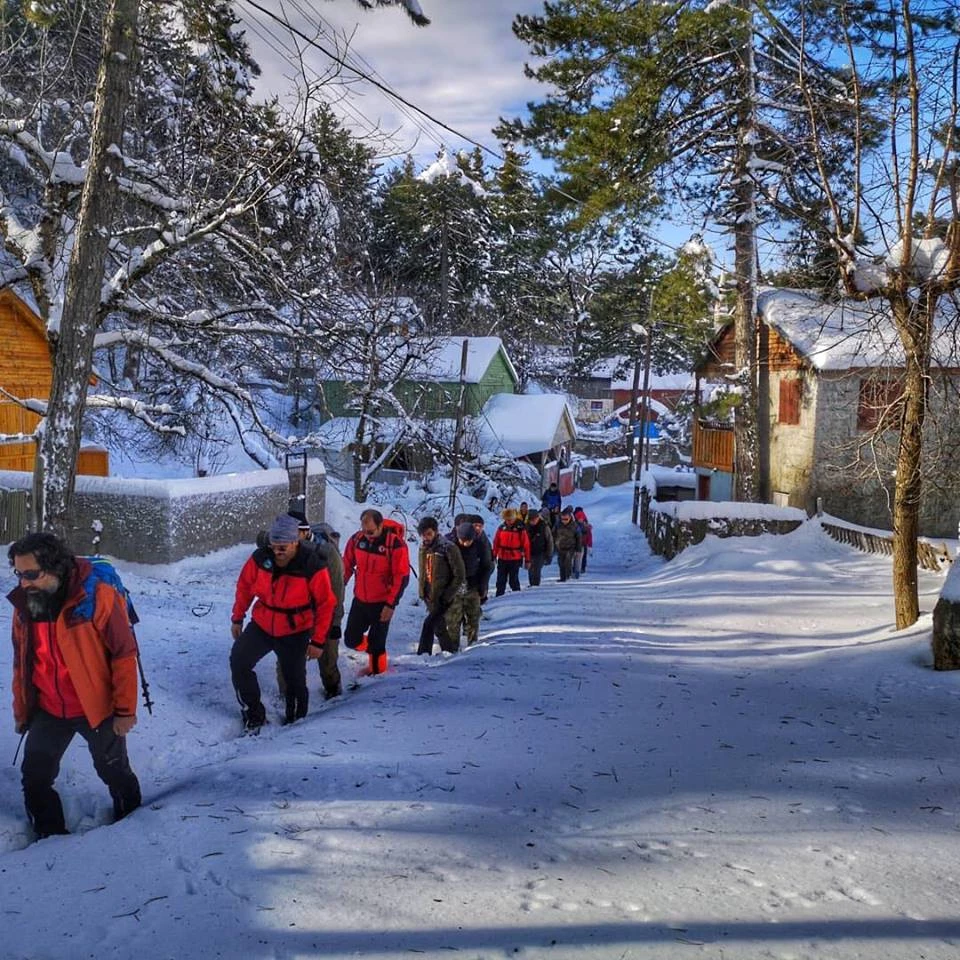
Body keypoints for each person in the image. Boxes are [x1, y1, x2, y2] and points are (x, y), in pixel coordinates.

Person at [7, 532, 142, 839]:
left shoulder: (97, 596)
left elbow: (124, 654)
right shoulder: (25, 605)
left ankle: (133, 823)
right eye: (18, 573)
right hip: (48, 708)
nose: (23, 582)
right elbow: (22, 662)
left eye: (31, 574)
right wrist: (22, 710)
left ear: (54, 567)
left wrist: (124, 711)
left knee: (114, 771)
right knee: (35, 777)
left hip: (97, 708)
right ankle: (49, 837)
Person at [231, 514, 336, 730]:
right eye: (274, 546)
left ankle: (296, 724)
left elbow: (326, 603)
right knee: (239, 661)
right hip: (262, 623)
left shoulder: (311, 564)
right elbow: (244, 587)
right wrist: (237, 617)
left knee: (294, 680)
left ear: (295, 542)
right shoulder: (260, 558)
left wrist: (317, 641)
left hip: (295, 629)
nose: (277, 552)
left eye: (283, 547)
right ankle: (254, 712)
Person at [273, 513, 346, 701]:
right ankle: (288, 697)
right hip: (294, 616)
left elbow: (337, 588)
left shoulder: (327, 554)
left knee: (328, 658)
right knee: (287, 659)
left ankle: (333, 690)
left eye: (292, 533)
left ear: (305, 533)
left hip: (323, 613)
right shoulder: (284, 550)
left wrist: (335, 622)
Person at [342, 509, 410, 675]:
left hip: (382, 602)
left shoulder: (394, 544)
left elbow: (401, 577)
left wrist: (390, 604)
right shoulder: (357, 540)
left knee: (377, 645)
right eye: (364, 531)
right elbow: (346, 565)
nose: (367, 535)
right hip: (360, 599)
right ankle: (369, 647)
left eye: (371, 532)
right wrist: (338, 587)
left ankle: (377, 678)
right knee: (351, 639)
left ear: (380, 526)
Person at [416, 517, 466, 654]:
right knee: (439, 627)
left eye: (429, 534)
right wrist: (423, 590)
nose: (425, 538)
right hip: (429, 595)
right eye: (423, 535)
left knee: (428, 624)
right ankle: (449, 651)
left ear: (436, 532)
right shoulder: (424, 548)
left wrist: (448, 594)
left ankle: (423, 653)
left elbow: (459, 574)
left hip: (443, 595)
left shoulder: (448, 548)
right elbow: (424, 571)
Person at [446, 521, 492, 647]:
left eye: (469, 540)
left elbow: (487, 566)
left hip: (473, 585)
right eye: (463, 540)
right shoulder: (450, 546)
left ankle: (472, 645)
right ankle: (452, 647)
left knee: (473, 617)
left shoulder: (480, 545)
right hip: (454, 587)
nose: (466, 543)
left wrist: (483, 586)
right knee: (453, 619)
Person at [492, 508, 530, 597]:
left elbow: (526, 545)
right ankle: (499, 596)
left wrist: (527, 560)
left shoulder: (520, 529)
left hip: (515, 558)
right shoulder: (501, 528)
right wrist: (494, 555)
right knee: (501, 580)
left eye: (510, 519)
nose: (508, 521)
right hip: (502, 557)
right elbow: (496, 542)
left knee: (513, 580)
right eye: (507, 520)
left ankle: (517, 596)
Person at [525, 509, 554, 587]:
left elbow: (549, 541)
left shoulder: (544, 526)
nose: (533, 521)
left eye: (534, 519)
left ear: (538, 518)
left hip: (541, 552)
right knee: (530, 570)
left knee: (537, 569)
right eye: (531, 520)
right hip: (529, 552)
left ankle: (535, 585)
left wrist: (549, 554)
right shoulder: (526, 527)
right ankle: (531, 585)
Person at [554, 506, 583, 582]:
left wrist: (578, 549)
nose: (564, 521)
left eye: (566, 519)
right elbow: (553, 534)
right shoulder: (558, 525)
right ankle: (562, 577)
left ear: (570, 518)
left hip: (571, 547)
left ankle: (568, 575)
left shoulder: (574, 525)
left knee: (568, 560)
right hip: (560, 546)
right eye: (562, 519)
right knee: (561, 562)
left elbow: (579, 537)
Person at [573, 507, 593, 574]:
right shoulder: (585, 522)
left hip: (576, 542)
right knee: (583, 556)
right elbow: (589, 535)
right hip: (583, 542)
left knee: (575, 557)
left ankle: (575, 569)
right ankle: (582, 568)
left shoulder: (574, 520)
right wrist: (589, 545)